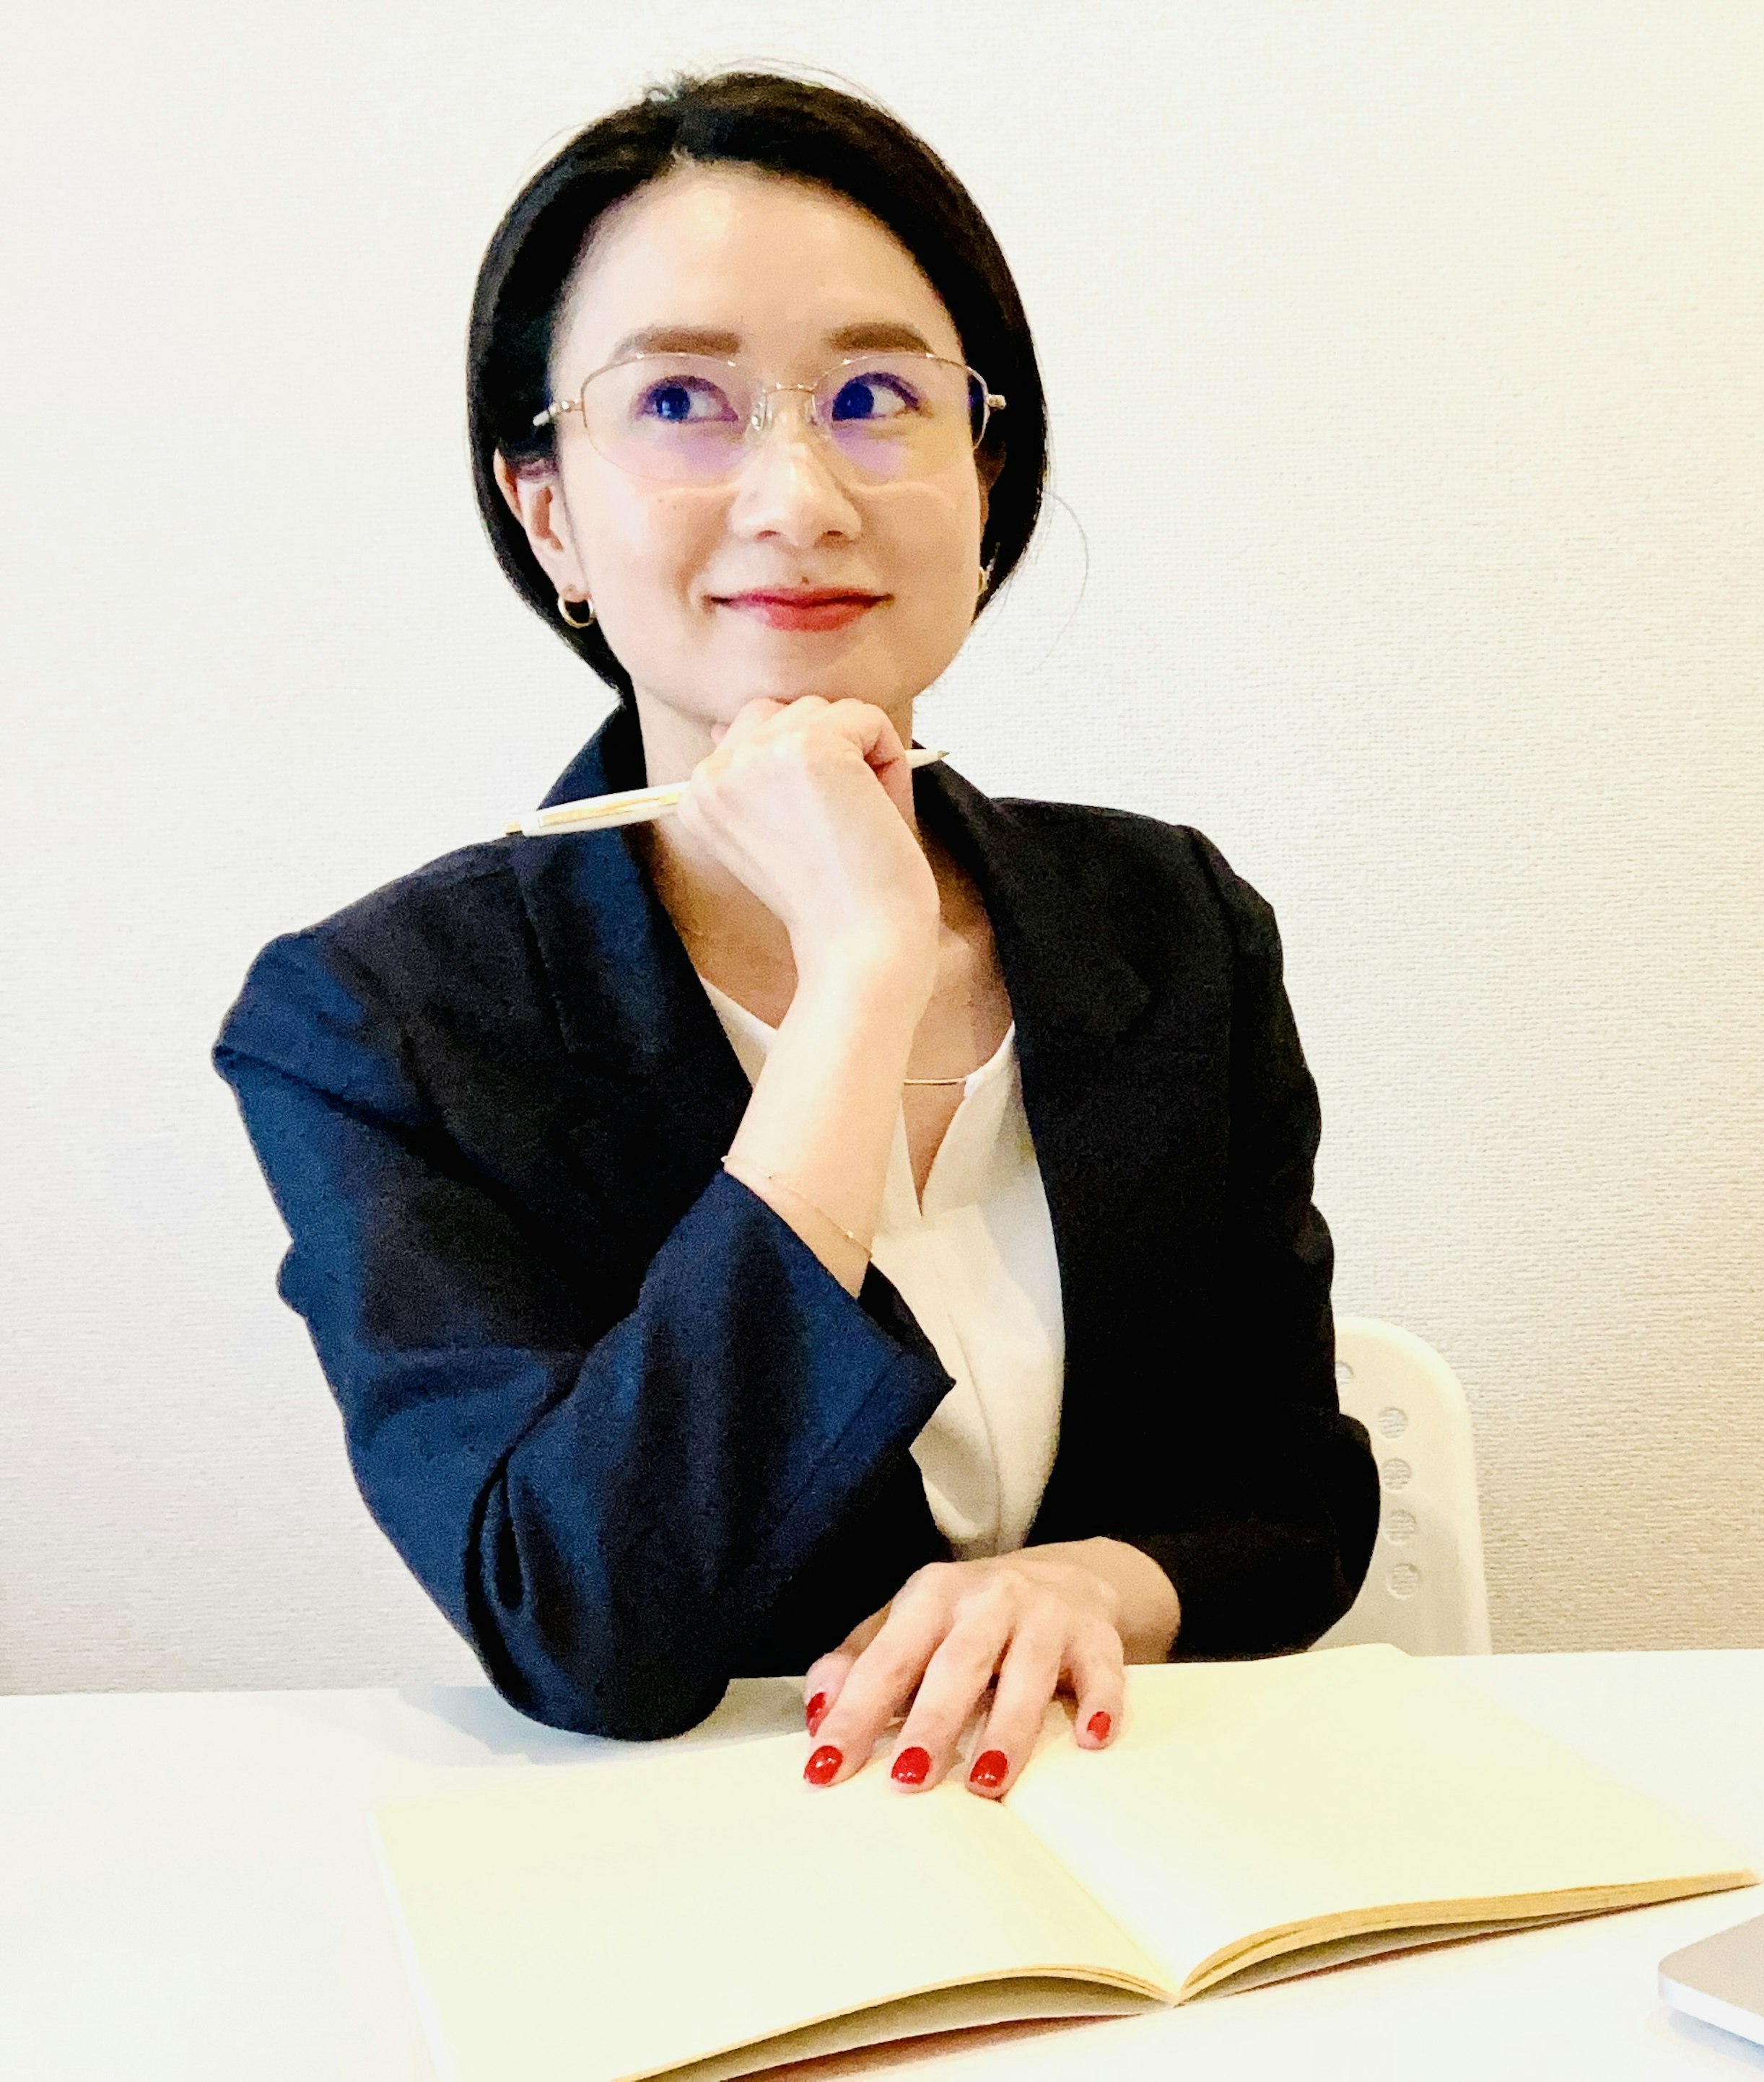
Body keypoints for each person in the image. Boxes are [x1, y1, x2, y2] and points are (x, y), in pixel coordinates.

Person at [211, 71, 1379, 1794]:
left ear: (982, 479)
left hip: (1145, 1833)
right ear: (552, 512)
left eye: (875, 396)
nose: (802, 494)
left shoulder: (1174, 923)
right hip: (717, 1894)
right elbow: (584, 1629)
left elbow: (1289, 1482)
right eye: (682, 398)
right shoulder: (378, 1021)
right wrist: (855, 984)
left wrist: (1100, 1585)